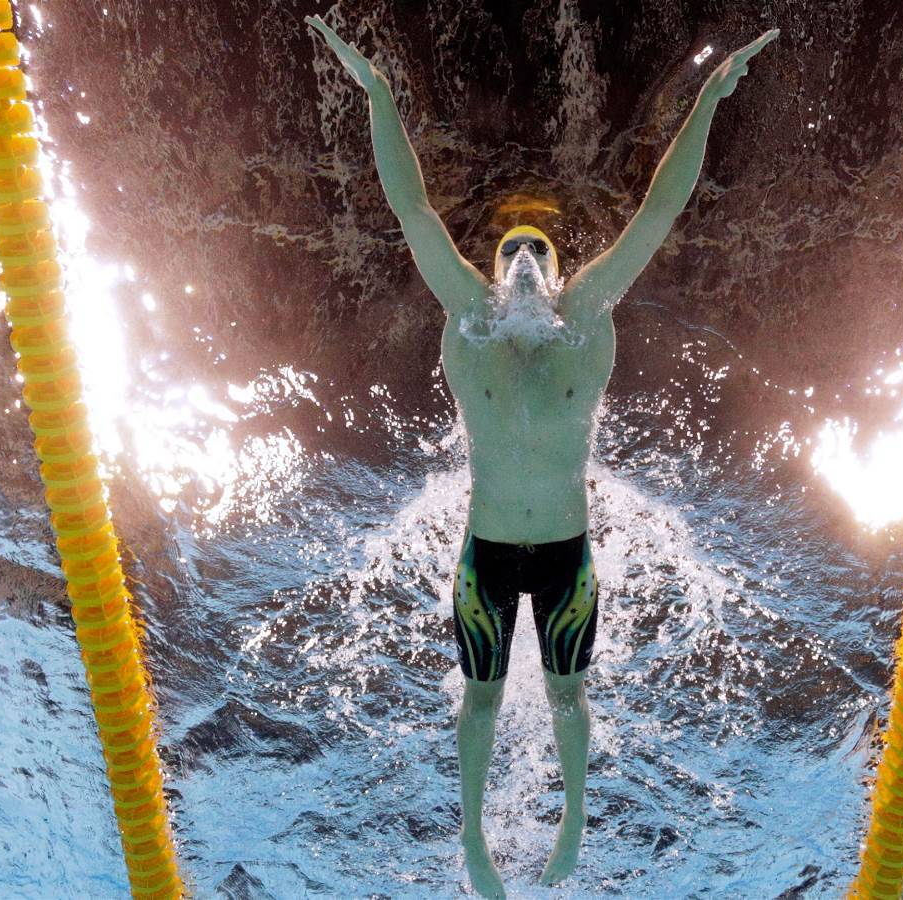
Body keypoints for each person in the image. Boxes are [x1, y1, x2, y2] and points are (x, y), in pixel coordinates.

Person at [307, 15, 777, 897]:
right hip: (486, 552)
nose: (523, 254)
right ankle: (477, 844)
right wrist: (374, 88)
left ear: (559, 273)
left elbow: (659, 211)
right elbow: (410, 207)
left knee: (568, 697)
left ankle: (571, 820)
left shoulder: (585, 320)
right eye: (510, 248)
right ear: (490, 272)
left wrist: (711, 95)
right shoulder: (469, 321)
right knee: (480, 699)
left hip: (566, 555)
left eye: (539, 249)